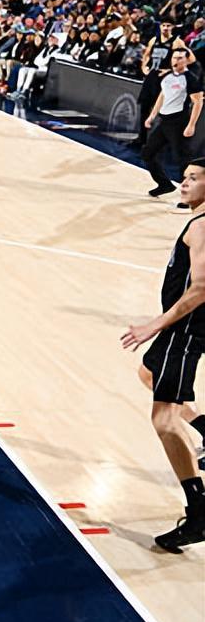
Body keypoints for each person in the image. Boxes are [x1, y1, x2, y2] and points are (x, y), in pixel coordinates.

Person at [122, 158, 205, 553]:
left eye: (194, 179)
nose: (183, 183)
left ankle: (199, 513)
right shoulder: (197, 221)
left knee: (165, 420)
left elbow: (201, 287)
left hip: (183, 331)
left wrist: (156, 324)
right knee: (148, 373)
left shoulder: (202, 227)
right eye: (184, 177)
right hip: (181, 331)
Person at [143, 48, 203, 199]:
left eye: (180, 58)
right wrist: (152, 116)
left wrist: (191, 125)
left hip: (178, 122)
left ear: (186, 60)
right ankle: (165, 184)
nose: (176, 60)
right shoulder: (168, 76)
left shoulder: (190, 78)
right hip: (164, 121)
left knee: (182, 160)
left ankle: (190, 197)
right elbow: (162, 96)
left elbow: (198, 102)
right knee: (148, 153)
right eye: (174, 57)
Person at [136, 21, 197, 147]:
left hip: (166, 78)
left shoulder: (177, 42)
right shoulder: (154, 40)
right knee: (144, 108)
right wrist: (144, 67)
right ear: (160, 26)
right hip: (152, 76)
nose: (165, 28)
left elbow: (191, 59)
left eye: (168, 25)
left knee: (164, 111)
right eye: (163, 25)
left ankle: (162, 143)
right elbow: (146, 55)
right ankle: (142, 139)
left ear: (172, 27)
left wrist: (172, 70)